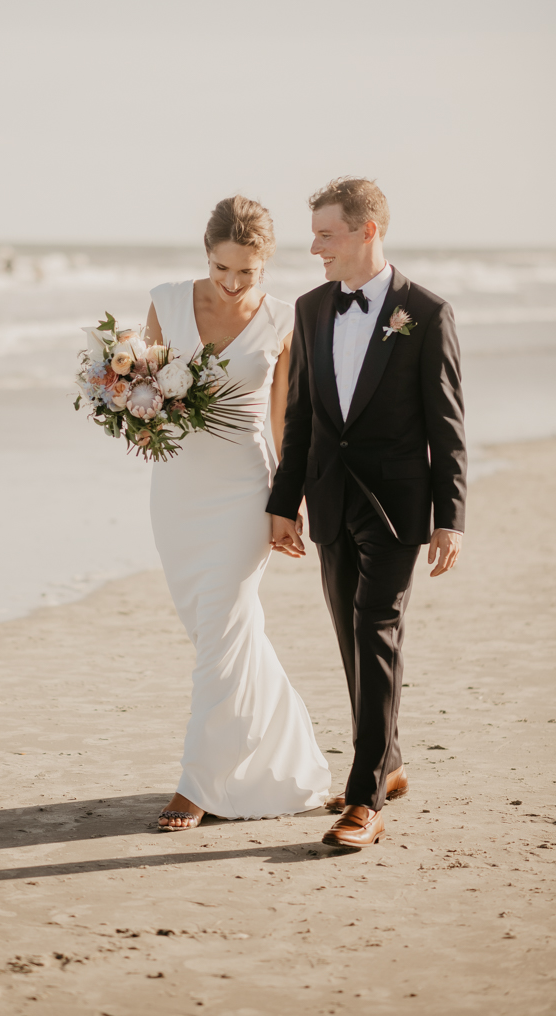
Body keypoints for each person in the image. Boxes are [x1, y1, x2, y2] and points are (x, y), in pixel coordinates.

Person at [268, 177, 467, 849]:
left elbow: (447, 422)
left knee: (377, 632)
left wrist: (451, 516)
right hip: (327, 498)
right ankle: (391, 760)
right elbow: (300, 419)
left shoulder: (425, 313)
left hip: (396, 504)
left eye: (326, 233)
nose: (315, 247)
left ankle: (364, 797)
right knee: (351, 639)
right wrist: (282, 504)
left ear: (366, 232)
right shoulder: (310, 307)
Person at [145, 195, 331, 831]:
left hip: (244, 492)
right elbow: (142, 393)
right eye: (222, 268)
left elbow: (285, 419)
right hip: (176, 492)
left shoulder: (283, 319)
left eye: (245, 273)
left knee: (224, 631)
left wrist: (288, 504)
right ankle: (293, 761)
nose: (231, 284)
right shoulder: (167, 302)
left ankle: (196, 785)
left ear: (265, 265)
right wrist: (137, 418)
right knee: (221, 635)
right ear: (208, 256)